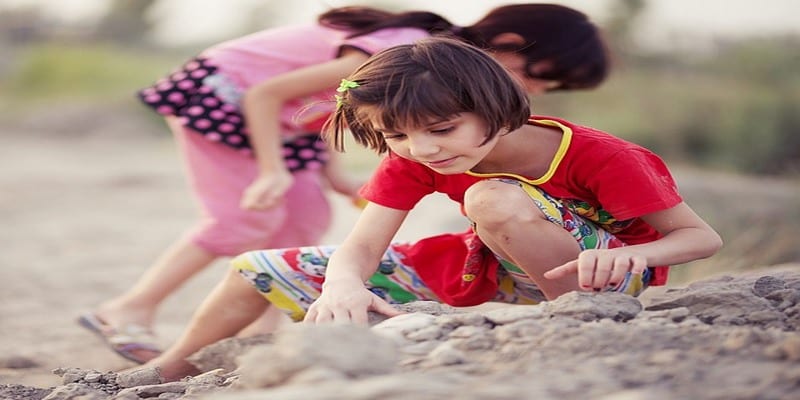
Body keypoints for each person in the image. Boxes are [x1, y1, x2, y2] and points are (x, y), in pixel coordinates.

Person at [134, 36, 722, 381]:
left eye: (441, 129)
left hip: (596, 278)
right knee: (253, 269)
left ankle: (569, 323)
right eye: (397, 136)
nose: (423, 149)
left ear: (495, 104)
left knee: (490, 196)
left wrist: (636, 257)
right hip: (487, 268)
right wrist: (342, 285)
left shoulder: (602, 156)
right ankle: (169, 367)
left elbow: (700, 239)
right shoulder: (416, 155)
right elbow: (362, 247)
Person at [80, 3, 612, 365]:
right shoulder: (411, 53)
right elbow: (267, 95)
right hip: (226, 101)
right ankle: (131, 306)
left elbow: (331, 111)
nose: (537, 89)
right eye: (540, 75)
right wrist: (272, 169)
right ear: (511, 43)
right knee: (245, 219)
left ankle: (255, 334)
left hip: (286, 125)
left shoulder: (441, 69)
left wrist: (330, 172)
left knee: (307, 219)